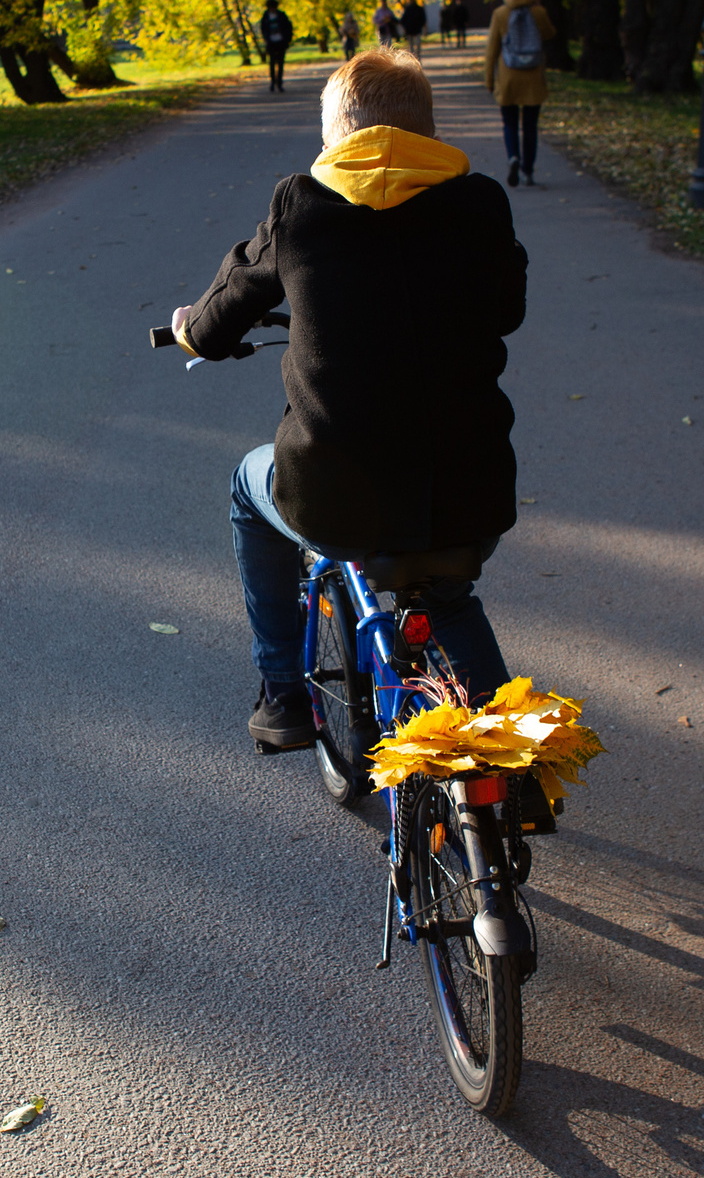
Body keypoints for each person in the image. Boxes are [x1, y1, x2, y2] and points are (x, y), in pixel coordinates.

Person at [170, 49, 536, 821]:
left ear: (336, 136)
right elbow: (506, 307)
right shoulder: (479, 205)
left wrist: (193, 333)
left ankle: (284, 695)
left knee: (247, 483)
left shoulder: (300, 206)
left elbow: (230, 299)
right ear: (429, 132)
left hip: (336, 493)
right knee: (446, 592)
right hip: (465, 488)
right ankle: (517, 777)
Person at [484, 0, 559, 187]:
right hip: (533, 78)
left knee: (509, 122)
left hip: (508, 76)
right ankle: (527, 171)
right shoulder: (538, 12)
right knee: (530, 125)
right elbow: (550, 34)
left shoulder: (500, 13)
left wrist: (489, 79)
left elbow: (492, 49)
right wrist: (539, 5)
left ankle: (513, 157)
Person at [259, 0, 294, 93]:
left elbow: (288, 28)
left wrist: (287, 40)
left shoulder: (281, 15)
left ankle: (279, 83)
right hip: (271, 43)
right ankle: (272, 83)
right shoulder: (265, 17)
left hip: (281, 42)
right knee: (272, 64)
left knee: (280, 64)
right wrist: (266, 39)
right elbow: (263, 29)